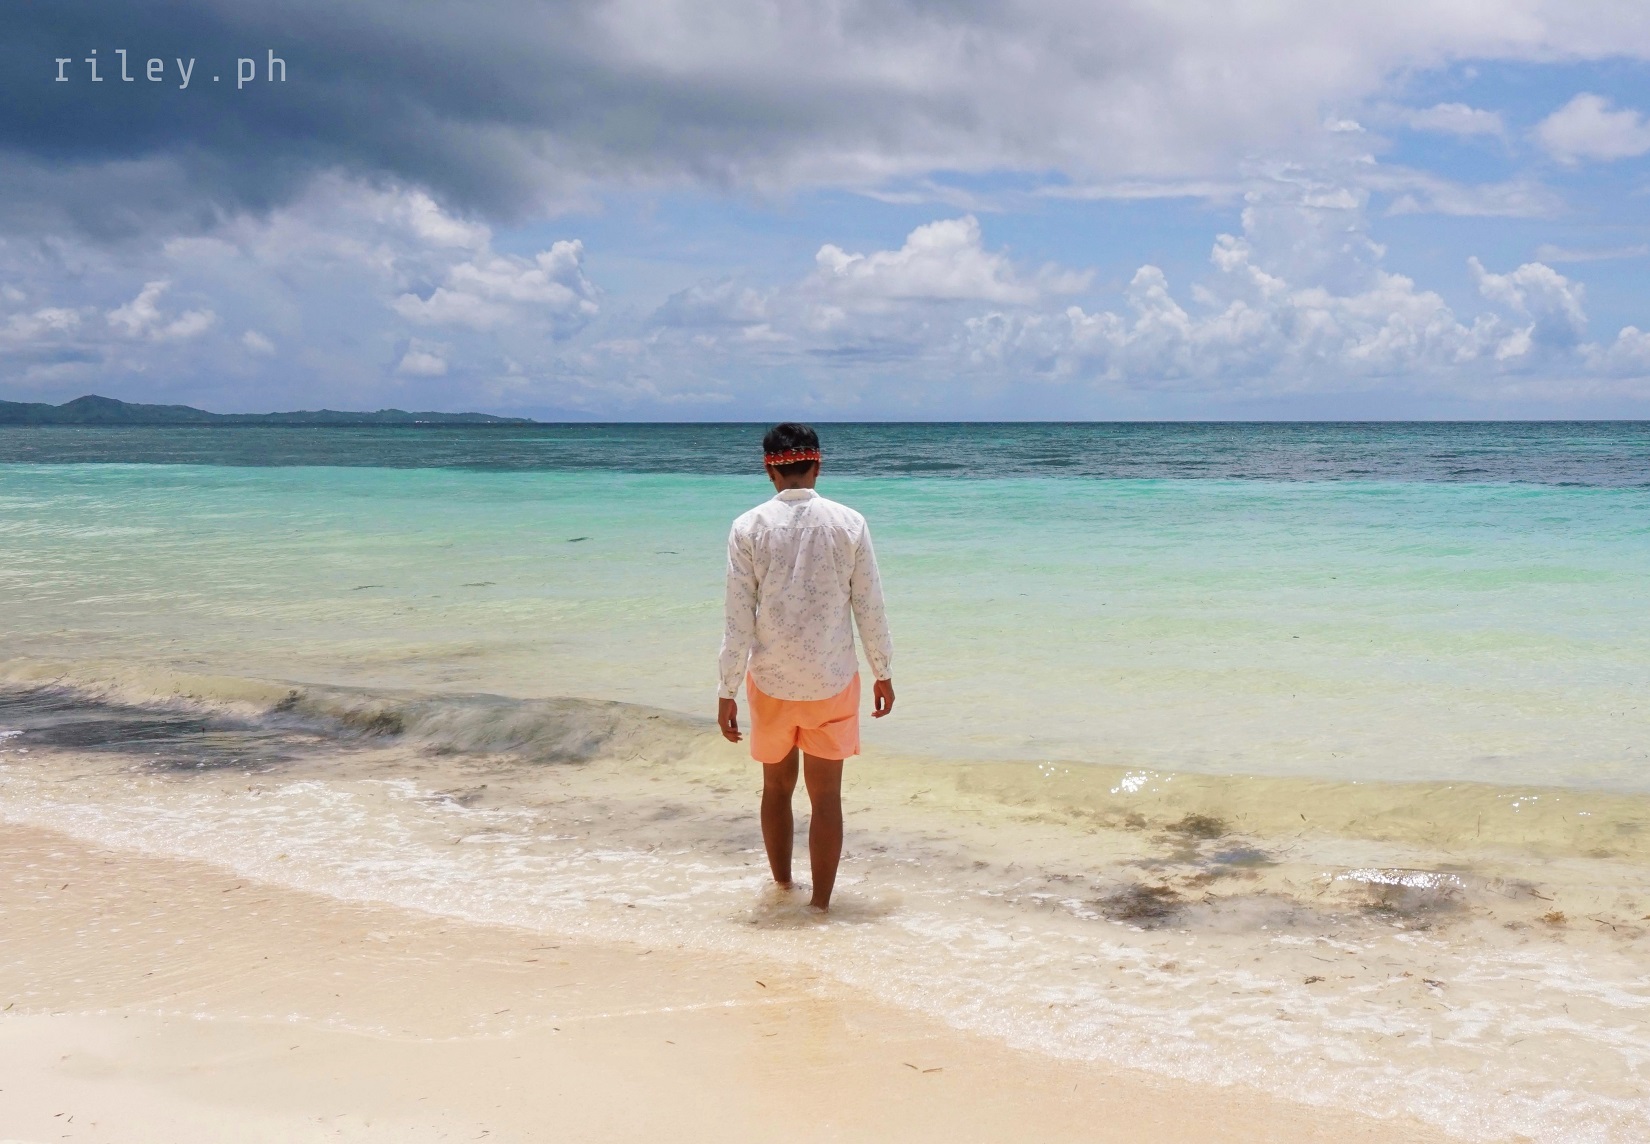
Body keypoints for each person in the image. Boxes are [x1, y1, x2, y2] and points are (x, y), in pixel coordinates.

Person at [717, 422, 894, 912]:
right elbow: (869, 605)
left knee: (776, 787)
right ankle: (819, 907)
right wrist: (882, 670)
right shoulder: (849, 523)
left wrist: (726, 687)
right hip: (831, 681)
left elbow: (738, 618)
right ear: (817, 465)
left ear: (769, 471)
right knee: (826, 798)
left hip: (770, 681)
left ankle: (781, 888)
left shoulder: (747, 526)